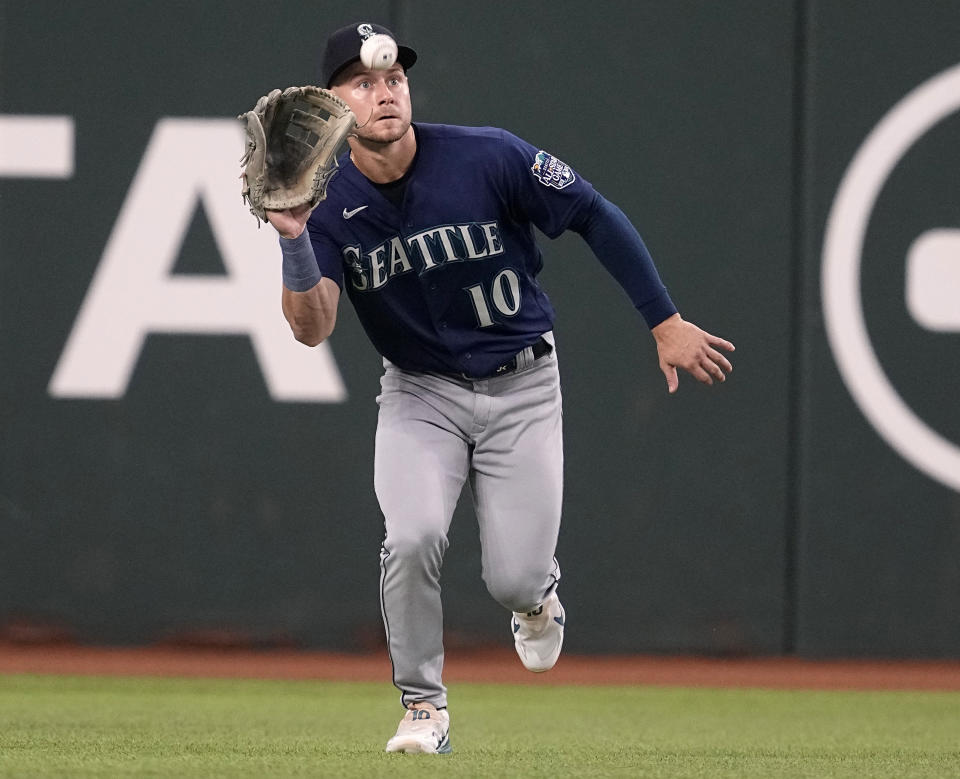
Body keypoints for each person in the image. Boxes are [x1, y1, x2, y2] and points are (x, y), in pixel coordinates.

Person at [266, 21, 735, 755]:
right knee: (412, 535)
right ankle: (423, 705)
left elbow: (591, 212)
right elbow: (311, 327)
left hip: (522, 386)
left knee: (512, 578)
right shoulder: (324, 202)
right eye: (363, 81)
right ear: (331, 105)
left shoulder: (487, 155)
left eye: (393, 78)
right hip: (420, 393)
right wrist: (294, 240)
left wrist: (663, 319)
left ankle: (538, 598)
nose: (385, 92)